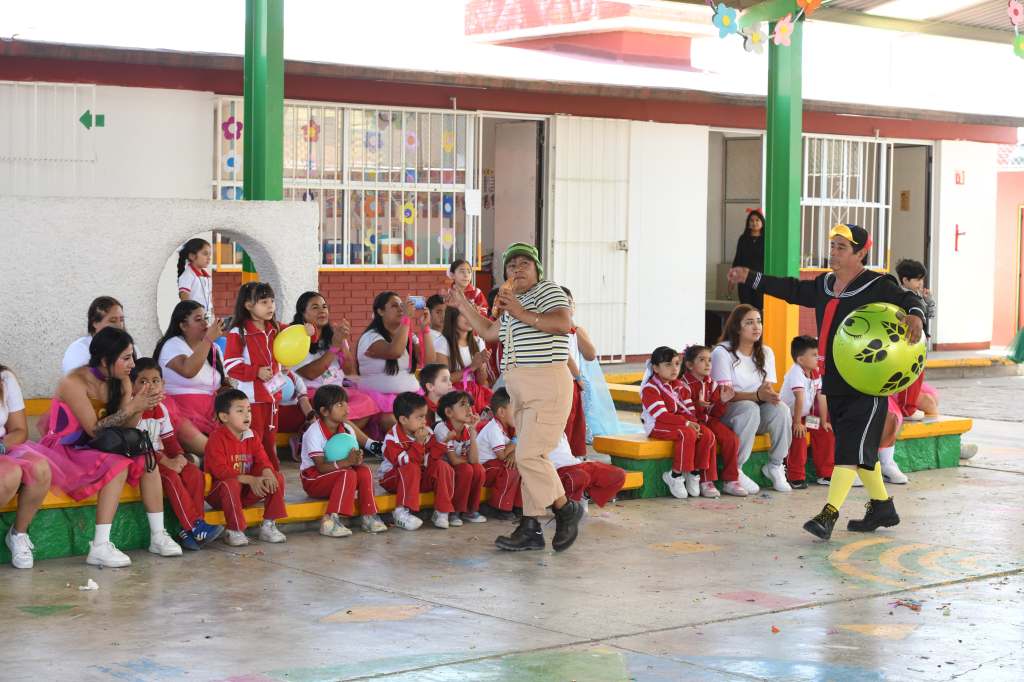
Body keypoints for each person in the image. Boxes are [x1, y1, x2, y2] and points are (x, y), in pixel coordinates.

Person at [728, 222, 926, 540]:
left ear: (860, 253)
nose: (833, 252)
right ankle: (882, 507)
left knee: (848, 452)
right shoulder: (824, 284)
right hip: (833, 380)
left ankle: (828, 515)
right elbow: (791, 290)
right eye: (832, 246)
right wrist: (751, 277)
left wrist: (916, 315)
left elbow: (910, 300)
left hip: (867, 383)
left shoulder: (878, 284)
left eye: (841, 248)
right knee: (859, 451)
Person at [448, 242, 584, 553]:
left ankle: (565, 509)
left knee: (528, 456)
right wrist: (463, 304)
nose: (517, 269)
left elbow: (563, 323)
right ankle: (530, 527)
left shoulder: (547, 290)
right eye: (512, 265)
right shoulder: (513, 302)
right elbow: (489, 332)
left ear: (537, 270)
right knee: (534, 457)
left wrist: (520, 311)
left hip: (547, 384)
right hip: (521, 390)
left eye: (525, 264)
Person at [45, 327, 183, 566]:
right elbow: (94, 430)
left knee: (148, 459)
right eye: (126, 358)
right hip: (68, 448)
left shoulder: (121, 381)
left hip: (100, 445)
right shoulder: (74, 382)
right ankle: (99, 545)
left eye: (132, 356)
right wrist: (132, 407)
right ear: (105, 360)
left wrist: (140, 405)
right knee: (117, 465)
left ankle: (158, 535)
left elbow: (127, 425)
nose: (133, 364)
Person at [130, 358, 224, 550]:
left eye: (155, 381)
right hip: (144, 461)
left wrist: (180, 456)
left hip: (161, 457)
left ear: (163, 384)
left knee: (194, 474)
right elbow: (140, 446)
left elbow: (170, 439)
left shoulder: (161, 408)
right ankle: (193, 526)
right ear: (132, 386)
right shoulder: (133, 410)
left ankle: (192, 529)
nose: (150, 386)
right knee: (172, 477)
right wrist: (167, 461)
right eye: (143, 381)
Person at [224, 282, 314, 470]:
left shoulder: (276, 328)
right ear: (248, 305)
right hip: (251, 400)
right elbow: (230, 365)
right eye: (264, 302)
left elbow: (297, 337)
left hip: (273, 398)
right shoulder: (238, 332)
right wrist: (255, 371)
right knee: (253, 440)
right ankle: (256, 476)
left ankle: (272, 473)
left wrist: (309, 332)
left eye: (272, 301)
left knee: (270, 440)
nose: (270, 306)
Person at [710, 305, 793, 494]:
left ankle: (775, 465)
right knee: (749, 407)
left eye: (759, 321)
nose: (756, 327)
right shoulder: (722, 352)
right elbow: (724, 394)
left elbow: (766, 389)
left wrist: (771, 396)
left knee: (781, 409)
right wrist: (756, 396)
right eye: (749, 322)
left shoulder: (766, 352)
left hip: (754, 411)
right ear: (737, 328)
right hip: (727, 413)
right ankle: (735, 470)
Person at [299, 385, 388, 538]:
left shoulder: (347, 429)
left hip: (339, 474)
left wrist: (357, 458)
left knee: (364, 471)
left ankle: (369, 515)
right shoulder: (313, 432)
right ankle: (331, 520)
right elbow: (320, 467)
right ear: (324, 411)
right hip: (314, 479)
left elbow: (350, 460)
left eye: (346, 403)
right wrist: (346, 462)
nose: (346, 408)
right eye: (339, 404)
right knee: (347, 474)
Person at [204, 389, 288, 547]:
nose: (247, 415)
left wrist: (268, 473)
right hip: (221, 494)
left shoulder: (252, 435)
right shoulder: (216, 438)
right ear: (224, 417)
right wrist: (251, 479)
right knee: (230, 484)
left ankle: (269, 525)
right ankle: (234, 530)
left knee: (275, 477)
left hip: (245, 492)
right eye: (240, 411)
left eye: (249, 410)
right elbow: (221, 472)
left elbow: (263, 460)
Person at [291, 291, 383, 429]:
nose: (322, 310)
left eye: (324, 306)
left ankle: (333, 435)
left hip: (338, 392)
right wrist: (334, 347)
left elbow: (350, 371)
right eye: (315, 307)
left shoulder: (333, 336)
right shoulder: (296, 339)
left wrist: (342, 344)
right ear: (303, 314)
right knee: (336, 410)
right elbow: (310, 373)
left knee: (366, 402)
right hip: (314, 395)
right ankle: (331, 435)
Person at [1, 363, 62, 569]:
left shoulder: (4, 378)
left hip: (3, 446)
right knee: (9, 475)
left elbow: (19, 430)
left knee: (40, 467)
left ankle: (18, 534)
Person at [640, 347, 719, 500]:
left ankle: (694, 472)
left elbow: (689, 411)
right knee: (686, 433)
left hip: (680, 423)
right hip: (657, 425)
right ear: (655, 368)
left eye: (677, 364)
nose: (674, 368)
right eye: (668, 364)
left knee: (707, 434)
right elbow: (661, 416)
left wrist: (694, 423)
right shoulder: (650, 388)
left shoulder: (680, 386)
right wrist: (687, 423)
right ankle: (675, 475)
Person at [154, 300, 230, 455]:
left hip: (210, 410)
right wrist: (208, 339)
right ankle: (206, 457)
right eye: (198, 319)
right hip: (179, 409)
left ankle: (201, 459)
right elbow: (188, 370)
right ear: (183, 326)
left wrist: (223, 403)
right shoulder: (172, 344)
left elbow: (223, 384)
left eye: (205, 318)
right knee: (214, 452)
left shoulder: (214, 348)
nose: (205, 323)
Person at [355, 291, 436, 424]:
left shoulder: (408, 335)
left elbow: (430, 361)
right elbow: (394, 352)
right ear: (380, 311)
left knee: (429, 414)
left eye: (401, 305)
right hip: (380, 405)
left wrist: (425, 328)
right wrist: (406, 319)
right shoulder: (370, 337)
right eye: (394, 306)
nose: (400, 309)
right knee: (392, 420)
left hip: (409, 400)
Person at [378, 392, 455, 531]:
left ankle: (441, 511)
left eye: (425, 416)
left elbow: (432, 458)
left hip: (418, 477)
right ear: (403, 419)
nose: (424, 421)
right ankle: (401, 512)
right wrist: (419, 443)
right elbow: (403, 462)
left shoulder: (427, 432)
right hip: (393, 479)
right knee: (411, 467)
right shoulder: (392, 438)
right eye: (419, 417)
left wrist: (444, 442)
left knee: (442, 465)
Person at [680, 345, 747, 497]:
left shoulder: (713, 384)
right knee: (709, 439)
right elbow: (684, 412)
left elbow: (716, 414)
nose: (708, 364)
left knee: (732, 439)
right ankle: (706, 481)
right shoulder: (683, 385)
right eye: (702, 360)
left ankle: (731, 480)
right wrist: (697, 405)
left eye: (709, 360)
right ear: (689, 365)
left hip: (708, 420)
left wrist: (722, 401)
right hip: (693, 423)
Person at [779, 336, 835, 489]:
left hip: (804, 417)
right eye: (814, 355)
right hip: (790, 418)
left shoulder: (816, 373)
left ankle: (825, 473)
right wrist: (797, 423)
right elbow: (799, 398)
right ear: (801, 360)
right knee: (799, 434)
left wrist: (823, 420)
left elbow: (821, 397)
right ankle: (795, 476)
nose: (818, 358)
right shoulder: (795, 373)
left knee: (825, 430)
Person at [433, 391, 488, 526]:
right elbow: (454, 460)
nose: (469, 409)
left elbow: (474, 460)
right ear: (449, 412)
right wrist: (468, 460)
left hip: (458, 467)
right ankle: (455, 511)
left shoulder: (467, 429)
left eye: (469, 404)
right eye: (463, 405)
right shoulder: (442, 428)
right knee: (466, 469)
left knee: (479, 469)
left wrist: (473, 432)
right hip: (441, 471)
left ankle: (471, 510)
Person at [475, 388, 522, 521]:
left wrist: (515, 452)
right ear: (501, 412)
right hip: (484, 469)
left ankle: (518, 505)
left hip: (495, 466)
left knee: (523, 465)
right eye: (515, 410)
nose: (518, 414)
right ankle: (499, 507)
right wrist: (516, 440)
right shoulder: (494, 428)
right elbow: (502, 456)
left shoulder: (507, 427)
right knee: (510, 467)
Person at [546, 434, 626, 510]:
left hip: (577, 463)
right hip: (558, 469)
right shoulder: (540, 431)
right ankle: (566, 507)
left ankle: (584, 494)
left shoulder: (560, 428)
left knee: (619, 473)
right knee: (581, 476)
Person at [435, 306, 493, 409]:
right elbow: (444, 379)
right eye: (464, 314)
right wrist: (472, 367)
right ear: (453, 316)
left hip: (474, 396)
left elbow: (481, 381)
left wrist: (481, 367)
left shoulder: (478, 342)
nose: (469, 318)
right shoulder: (442, 342)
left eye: (471, 314)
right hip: (452, 398)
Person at [562, 287, 596, 456]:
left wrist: (574, 327)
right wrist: (578, 376)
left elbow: (590, 354)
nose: (567, 307)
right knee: (565, 423)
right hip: (564, 381)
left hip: (574, 382)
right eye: (563, 303)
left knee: (576, 422)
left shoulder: (574, 330)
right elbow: (565, 356)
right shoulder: (554, 330)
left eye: (570, 303)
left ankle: (574, 455)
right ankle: (563, 456)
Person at [61, 296, 125, 375]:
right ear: (95, 323)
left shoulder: (129, 347)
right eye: (112, 321)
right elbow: (76, 380)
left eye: (121, 320)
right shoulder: (79, 349)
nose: (119, 326)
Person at [731, 209, 765, 310]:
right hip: (744, 279)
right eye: (751, 220)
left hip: (760, 279)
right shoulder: (743, 239)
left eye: (757, 220)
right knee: (745, 308)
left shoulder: (767, 239)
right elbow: (738, 259)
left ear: (762, 222)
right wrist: (732, 278)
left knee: (758, 307)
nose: (754, 223)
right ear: (748, 223)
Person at [176, 237, 214, 314]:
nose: (209, 258)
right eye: (205, 254)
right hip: (196, 317)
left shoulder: (207, 276)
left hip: (206, 316)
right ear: (192, 256)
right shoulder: (188, 275)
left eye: (209, 254)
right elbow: (185, 300)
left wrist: (212, 315)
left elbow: (209, 299)